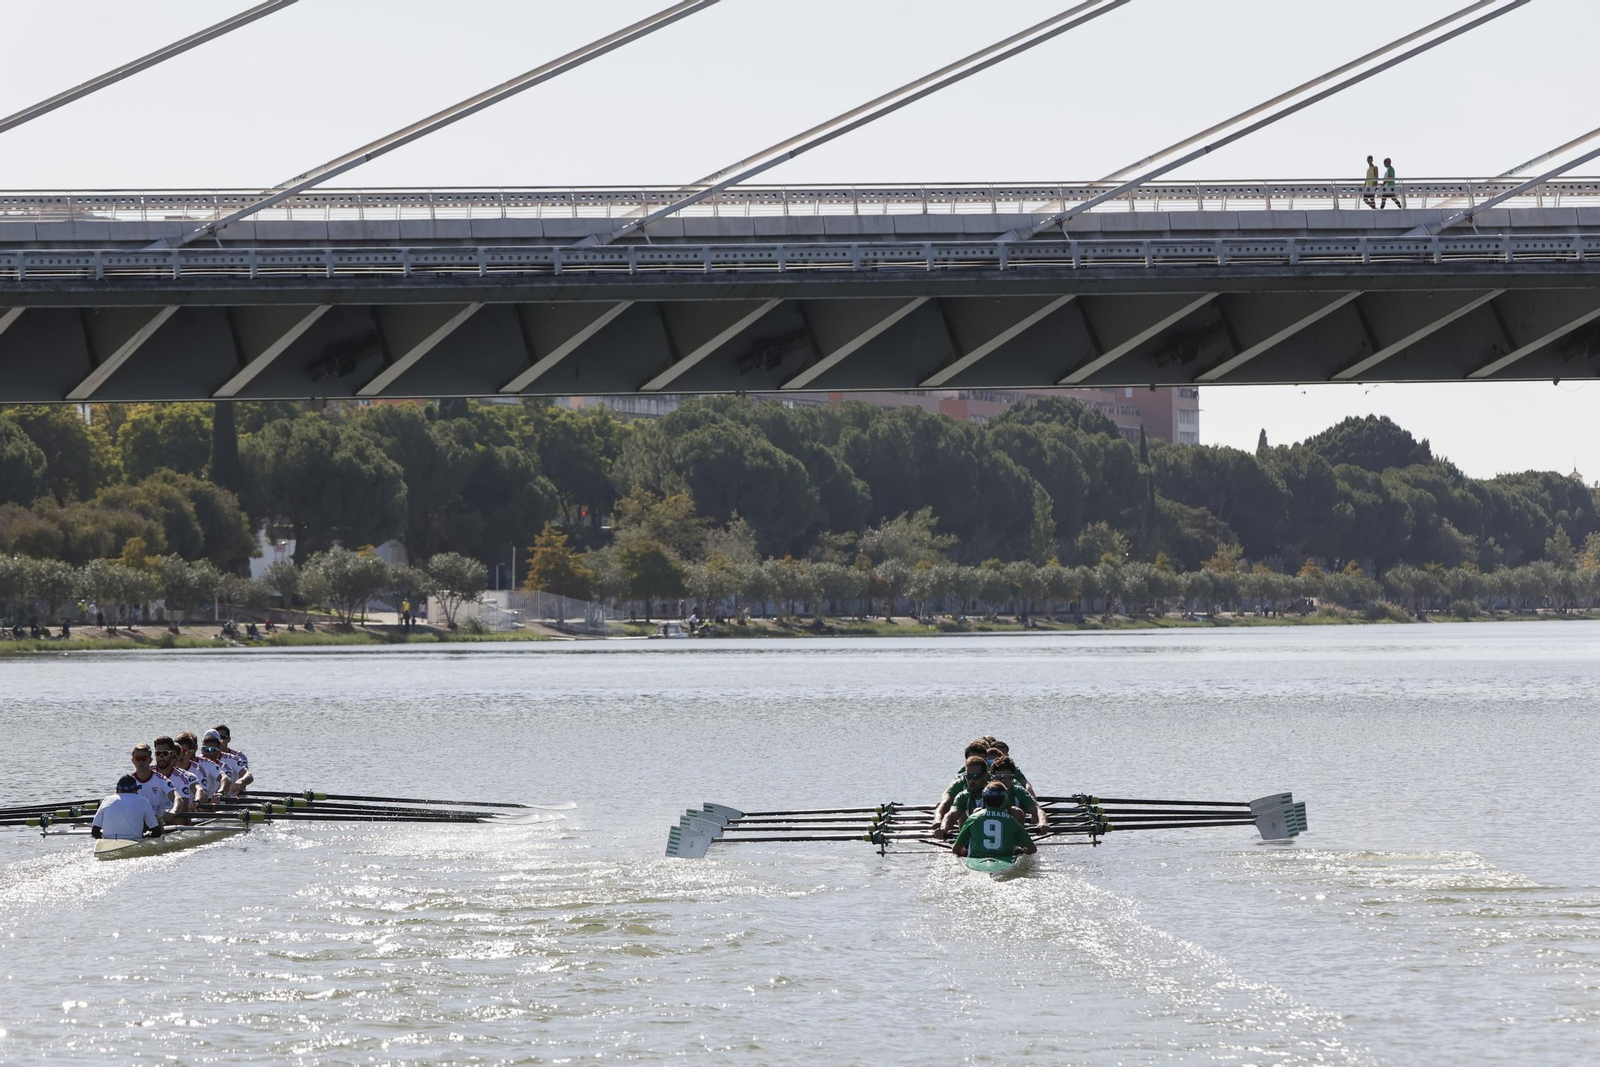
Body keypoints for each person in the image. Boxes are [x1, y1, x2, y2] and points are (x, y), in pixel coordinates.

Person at [952, 782, 1037, 861]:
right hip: (1004, 861)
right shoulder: (1011, 820)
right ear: (1003, 801)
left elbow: (956, 849)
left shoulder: (973, 818)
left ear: (984, 800)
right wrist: (1020, 851)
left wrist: (964, 853)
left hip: (976, 860)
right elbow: (1032, 849)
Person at [932, 755, 991, 836]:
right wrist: (943, 828)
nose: (971, 781)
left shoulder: (996, 793)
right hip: (976, 837)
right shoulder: (964, 795)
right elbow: (951, 815)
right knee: (962, 813)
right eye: (968, 777)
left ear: (985, 776)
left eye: (975, 776)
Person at [90, 775, 162, 842]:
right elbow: (156, 832)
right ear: (135, 790)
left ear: (118, 790)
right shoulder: (143, 801)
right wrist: (146, 835)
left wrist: (102, 838)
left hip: (108, 843)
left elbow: (94, 832)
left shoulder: (107, 799)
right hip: (133, 842)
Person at [128, 742, 175, 820]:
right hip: (135, 822)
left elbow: (177, 799)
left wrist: (174, 810)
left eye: (144, 758)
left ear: (150, 760)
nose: (141, 762)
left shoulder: (162, 780)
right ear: (133, 761)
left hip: (157, 822)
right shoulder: (128, 782)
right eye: (138, 759)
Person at [154, 735, 199, 817]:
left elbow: (184, 807)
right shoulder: (148, 772)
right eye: (158, 753)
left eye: (165, 753)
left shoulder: (183, 778)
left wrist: (197, 801)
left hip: (173, 820)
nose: (161, 757)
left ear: (172, 755)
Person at [214, 724, 252, 794]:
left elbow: (245, 777)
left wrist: (241, 783)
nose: (219, 741)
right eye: (215, 738)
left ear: (228, 739)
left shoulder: (239, 757)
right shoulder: (204, 758)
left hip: (235, 795)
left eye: (222, 737)